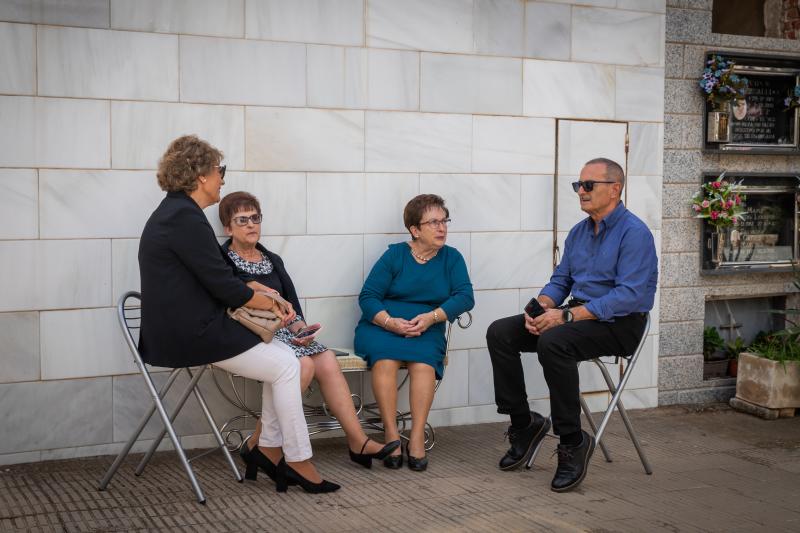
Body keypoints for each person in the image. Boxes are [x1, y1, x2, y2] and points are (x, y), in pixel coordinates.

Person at [138, 135, 338, 494]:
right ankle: (294, 459)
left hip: (191, 325)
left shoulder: (178, 213)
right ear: (201, 176)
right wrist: (275, 304)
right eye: (219, 171)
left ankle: (270, 451)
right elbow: (227, 290)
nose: (222, 178)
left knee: (286, 360)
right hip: (190, 333)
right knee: (288, 363)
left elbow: (219, 277)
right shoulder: (184, 218)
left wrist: (260, 290)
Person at [486, 158, 657, 493]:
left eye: (589, 185)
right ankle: (524, 424)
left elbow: (628, 296)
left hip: (620, 323)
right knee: (501, 332)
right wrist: (541, 307)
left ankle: (572, 440)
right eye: (578, 185)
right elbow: (561, 280)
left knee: (555, 343)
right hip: (576, 318)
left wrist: (565, 317)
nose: (581, 191)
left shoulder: (635, 233)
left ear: (615, 189)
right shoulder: (579, 232)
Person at [217, 191, 400, 469]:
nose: (251, 225)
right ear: (228, 227)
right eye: (242, 220)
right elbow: (227, 301)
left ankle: (358, 441)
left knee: (324, 358)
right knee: (303, 365)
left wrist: (302, 330)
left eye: (256, 218)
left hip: (283, 332)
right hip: (249, 334)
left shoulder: (271, 258)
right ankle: (258, 443)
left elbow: (292, 308)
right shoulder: (222, 261)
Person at [354, 194, 474, 471]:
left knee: (424, 365)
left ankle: (417, 436)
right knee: (385, 361)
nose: (442, 227)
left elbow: (465, 296)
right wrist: (389, 322)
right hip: (382, 326)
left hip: (426, 327)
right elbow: (368, 296)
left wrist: (432, 318)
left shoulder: (451, 258)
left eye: (444, 221)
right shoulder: (395, 255)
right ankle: (392, 435)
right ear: (415, 230)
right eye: (433, 222)